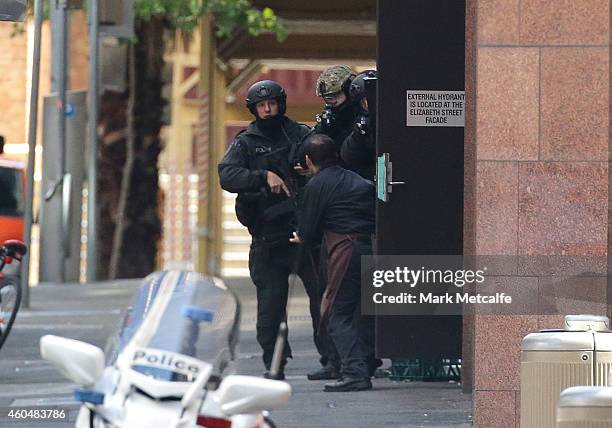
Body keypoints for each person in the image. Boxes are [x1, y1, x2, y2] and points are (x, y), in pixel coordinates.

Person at [218, 80, 321, 380]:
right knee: (270, 311)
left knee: (324, 299)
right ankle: (274, 365)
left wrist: (309, 167)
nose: (267, 109)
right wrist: (263, 177)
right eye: (261, 105)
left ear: (281, 104)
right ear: (253, 109)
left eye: (272, 103)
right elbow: (227, 175)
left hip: (304, 232)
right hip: (268, 236)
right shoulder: (246, 142)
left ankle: (333, 361)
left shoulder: (300, 133)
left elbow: (328, 157)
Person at [291, 134, 376, 392]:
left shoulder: (317, 185)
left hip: (343, 249)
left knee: (335, 312)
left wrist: (301, 237)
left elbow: (308, 229)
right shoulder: (357, 181)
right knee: (358, 311)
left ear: (307, 160)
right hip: (367, 247)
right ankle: (359, 364)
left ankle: (354, 372)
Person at [340, 70, 377, 180]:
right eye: (366, 101)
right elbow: (348, 156)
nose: (371, 104)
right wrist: (360, 134)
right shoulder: (360, 124)